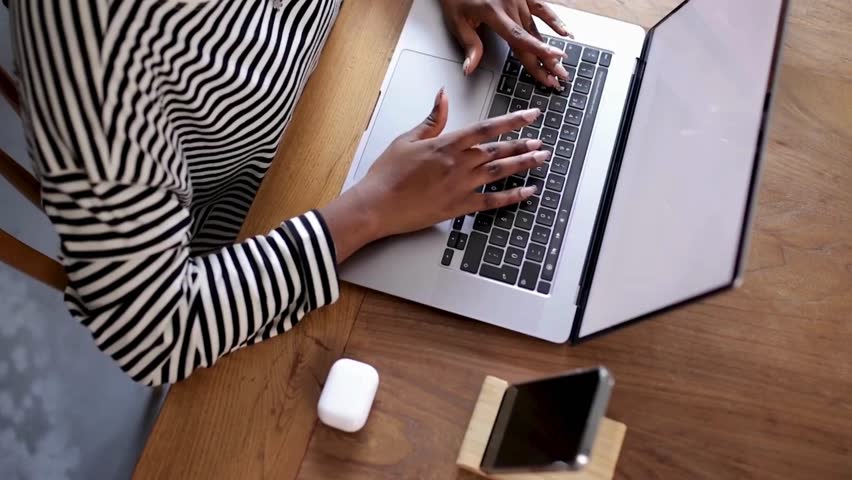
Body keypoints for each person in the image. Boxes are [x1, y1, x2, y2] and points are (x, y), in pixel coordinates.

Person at [9, 0, 571, 386]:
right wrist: (373, 209)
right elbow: (152, 327)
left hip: (355, 60)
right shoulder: (89, 60)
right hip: (268, 225)